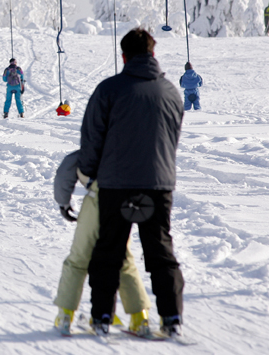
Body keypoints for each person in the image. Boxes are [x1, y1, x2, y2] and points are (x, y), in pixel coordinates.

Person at [80, 28, 184, 338]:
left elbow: (92, 136)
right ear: (153, 54)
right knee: (160, 251)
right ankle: (172, 318)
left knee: (109, 250)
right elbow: (172, 137)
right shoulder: (170, 91)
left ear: (123, 56)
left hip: (117, 186)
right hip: (159, 184)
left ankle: (101, 316)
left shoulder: (109, 90)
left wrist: (88, 174)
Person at [53, 151, 151, 336]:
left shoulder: (96, 142)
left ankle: (65, 315)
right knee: (123, 259)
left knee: (78, 258)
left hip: (97, 197)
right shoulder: (129, 143)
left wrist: (63, 203)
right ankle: (140, 316)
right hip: (125, 197)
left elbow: (67, 167)